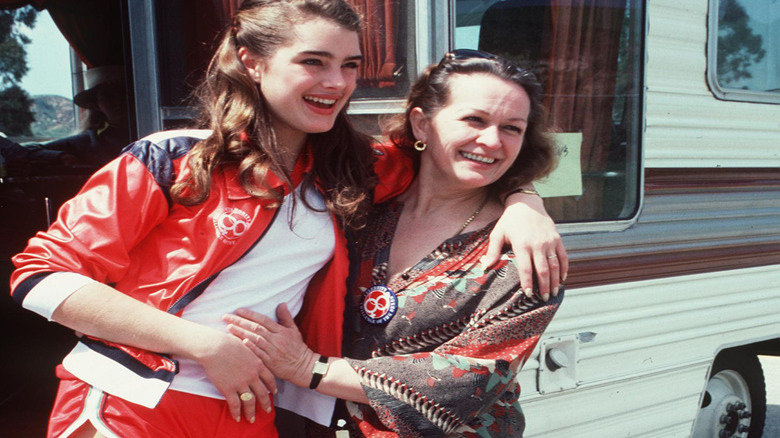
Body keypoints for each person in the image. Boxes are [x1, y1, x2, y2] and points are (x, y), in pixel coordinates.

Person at [10, 0, 563, 436]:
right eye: (313, 62)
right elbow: (37, 277)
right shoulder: (174, 157)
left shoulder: (352, 170)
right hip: (135, 396)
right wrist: (204, 345)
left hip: (253, 409)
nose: (336, 83)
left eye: (349, 66)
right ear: (253, 62)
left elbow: (464, 157)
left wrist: (525, 201)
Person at [225, 49, 564, 437]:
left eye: (512, 128)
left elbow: (468, 381)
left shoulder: (524, 251)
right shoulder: (361, 202)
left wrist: (306, 367)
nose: (491, 141)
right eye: (475, 119)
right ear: (421, 124)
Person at [0, 65, 131, 174]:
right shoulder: (87, 141)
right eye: (108, 98)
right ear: (96, 105)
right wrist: (60, 156)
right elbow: (27, 150)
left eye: (124, 95)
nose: (118, 103)